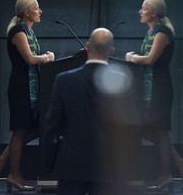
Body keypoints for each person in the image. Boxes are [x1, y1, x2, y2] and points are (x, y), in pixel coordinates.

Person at [41, 27, 141, 195]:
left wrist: (49, 164)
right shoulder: (121, 81)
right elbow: (131, 128)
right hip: (109, 169)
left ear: (87, 47)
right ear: (111, 50)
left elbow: (52, 127)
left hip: (71, 166)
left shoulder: (64, 80)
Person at [125, 0, 183, 191]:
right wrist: (136, 58)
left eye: (143, 8)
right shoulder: (152, 31)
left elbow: (151, 59)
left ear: (153, 12)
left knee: (159, 131)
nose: (140, 11)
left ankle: (166, 174)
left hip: (159, 89)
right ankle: (180, 162)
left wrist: (134, 57)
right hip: (150, 89)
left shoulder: (162, 32)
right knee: (147, 129)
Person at [0, 0, 55, 192]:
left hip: (29, 88)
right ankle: (14, 175)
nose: (40, 11)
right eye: (37, 8)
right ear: (27, 11)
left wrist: (44, 57)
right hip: (21, 88)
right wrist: (46, 57)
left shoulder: (29, 31)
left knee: (35, 128)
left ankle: (0, 162)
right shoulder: (18, 31)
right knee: (19, 132)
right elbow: (29, 59)